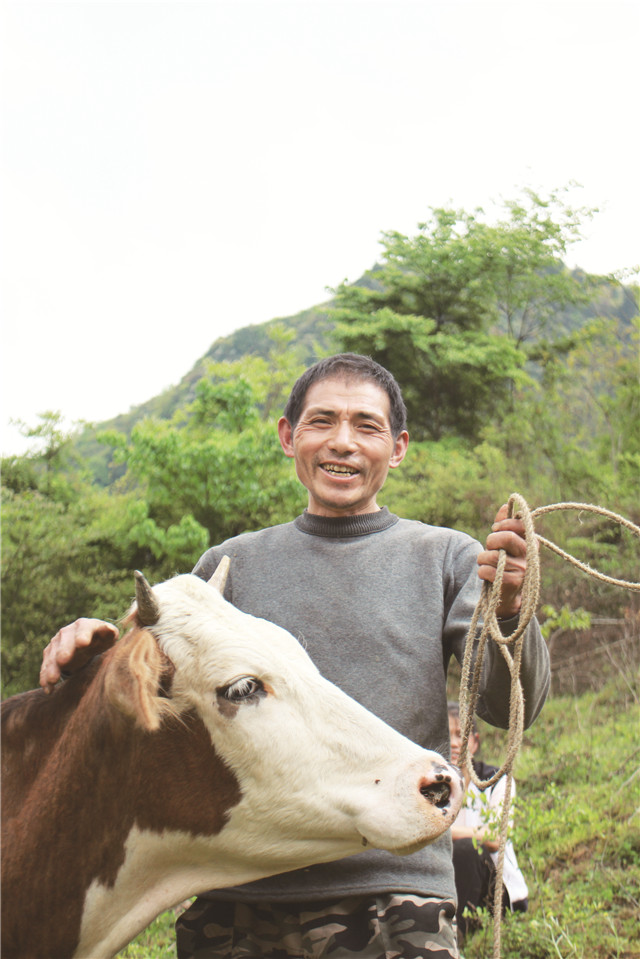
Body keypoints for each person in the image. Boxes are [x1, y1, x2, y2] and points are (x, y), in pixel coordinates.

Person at [40, 353, 550, 959]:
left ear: (399, 447)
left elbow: (508, 704)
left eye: (367, 426)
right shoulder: (228, 568)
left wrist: (512, 610)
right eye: (322, 421)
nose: (344, 442)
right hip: (235, 900)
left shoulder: (445, 558)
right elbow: (151, 700)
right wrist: (89, 653)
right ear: (288, 436)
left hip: (393, 893)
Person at [448, 703, 529, 943]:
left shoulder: (497, 781)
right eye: (447, 734)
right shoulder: (435, 788)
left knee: (465, 849)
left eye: (459, 735)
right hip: (450, 884)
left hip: (497, 893)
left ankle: (457, 938)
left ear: (474, 741)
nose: (453, 743)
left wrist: (447, 833)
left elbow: (495, 838)